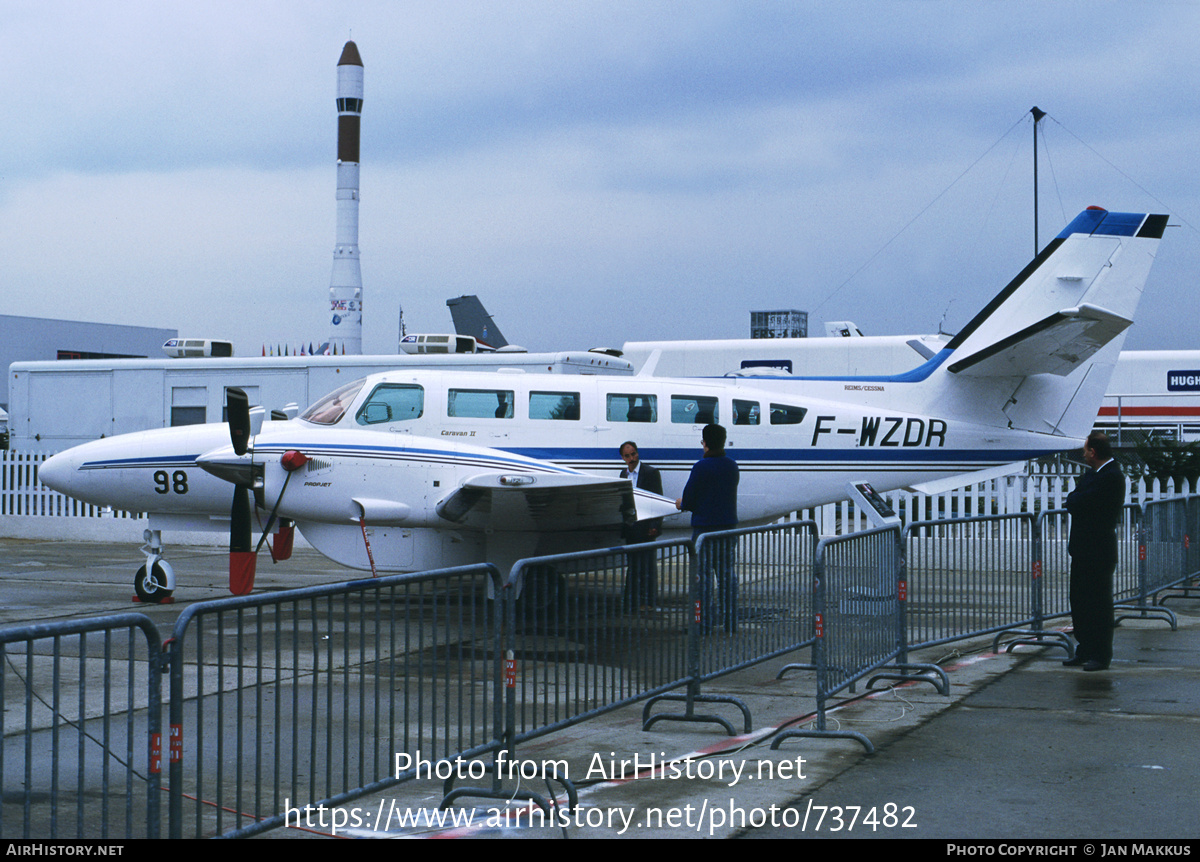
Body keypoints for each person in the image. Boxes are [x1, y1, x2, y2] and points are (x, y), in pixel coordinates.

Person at [1063, 431, 1125, 671]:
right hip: (1082, 550)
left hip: (1098, 551)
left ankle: (1100, 653)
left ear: (1094, 452)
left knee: (1098, 605)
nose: (1084, 454)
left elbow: (1079, 501)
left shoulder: (1111, 477)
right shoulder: (1093, 474)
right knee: (1079, 602)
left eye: (1086, 450)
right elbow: (1076, 499)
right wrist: (1076, 501)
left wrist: (1076, 501)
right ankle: (1085, 648)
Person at [676, 424, 739, 632]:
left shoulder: (701, 467)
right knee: (727, 577)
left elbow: (689, 500)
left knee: (701, 580)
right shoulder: (732, 466)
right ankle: (731, 623)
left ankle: (703, 624)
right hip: (728, 529)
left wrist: (681, 503)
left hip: (704, 531)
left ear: (705, 443)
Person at [619, 441, 663, 610]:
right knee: (634, 565)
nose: (632, 458)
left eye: (634, 454)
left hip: (646, 525)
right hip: (631, 526)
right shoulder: (623, 475)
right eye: (628, 456)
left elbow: (656, 497)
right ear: (623, 458)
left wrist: (655, 524)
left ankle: (647, 601)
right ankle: (632, 601)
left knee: (647, 565)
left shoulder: (650, 473)